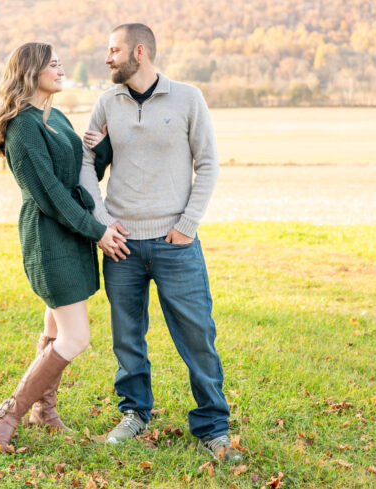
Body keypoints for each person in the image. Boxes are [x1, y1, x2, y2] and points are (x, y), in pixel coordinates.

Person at [78, 23, 241, 462]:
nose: (107, 59)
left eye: (113, 51)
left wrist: (188, 224)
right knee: (127, 338)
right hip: (122, 246)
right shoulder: (107, 102)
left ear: (138, 51)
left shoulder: (188, 98)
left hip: (176, 244)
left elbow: (208, 164)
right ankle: (134, 413)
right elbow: (85, 164)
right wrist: (103, 223)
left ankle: (212, 426)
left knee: (197, 336)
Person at [0, 42, 126, 447]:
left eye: (60, 61)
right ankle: (9, 411)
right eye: (52, 63)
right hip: (50, 237)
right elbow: (49, 193)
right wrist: (97, 230)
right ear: (30, 72)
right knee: (75, 337)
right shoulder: (22, 126)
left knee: (54, 325)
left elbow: (78, 176)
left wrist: (101, 149)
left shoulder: (55, 116)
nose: (60, 67)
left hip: (72, 232)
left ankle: (43, 410)